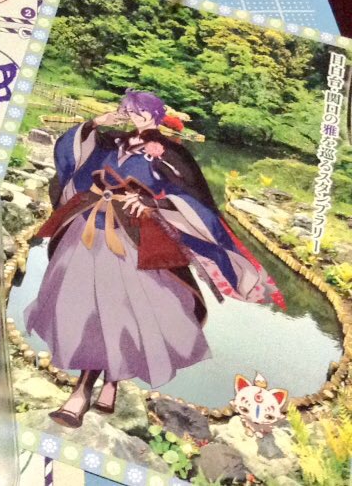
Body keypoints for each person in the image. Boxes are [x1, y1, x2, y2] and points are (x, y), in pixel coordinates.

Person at [24, 89, 283, 427]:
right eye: (128, 109)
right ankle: (109, 383)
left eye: (139, 110)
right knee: (87, 310)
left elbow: (191, 197)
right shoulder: (111, 140)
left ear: (155, 115)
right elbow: (71, 157)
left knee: (117, 315)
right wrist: (95, 123)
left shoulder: (169, 153)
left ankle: (82, 393)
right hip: (89, 231)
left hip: (135, 242)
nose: (133, 115)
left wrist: (152, 203)